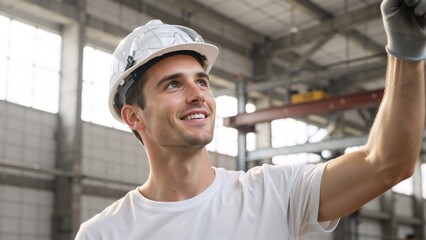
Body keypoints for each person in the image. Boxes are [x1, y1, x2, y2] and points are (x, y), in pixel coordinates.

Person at [75, 0, 426, 239]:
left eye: (202, 81)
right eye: (173, 85)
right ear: (134, 116)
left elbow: (387, 163)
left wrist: (406, 52)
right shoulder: (105, 233)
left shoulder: (273, 194)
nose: (198, 93)